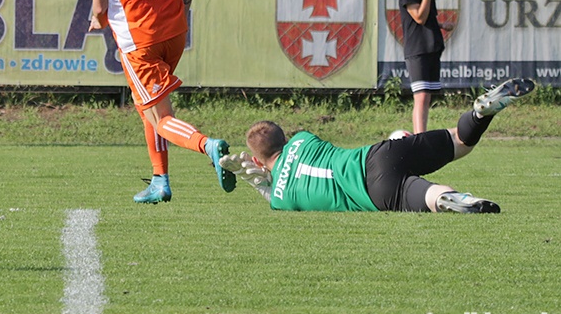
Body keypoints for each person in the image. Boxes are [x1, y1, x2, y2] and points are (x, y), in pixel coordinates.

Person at [69, 0, 233, 204]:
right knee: (149, 110)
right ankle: (160, 180)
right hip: (173, 30)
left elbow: (99, 2)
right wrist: (181, 5)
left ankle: (209, 146)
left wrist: (98, 21)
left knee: (162, 118)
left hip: (139, 40)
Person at [221, 78, 535, 213]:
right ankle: (480, 112)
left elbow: (277, 191)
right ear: (285, 137)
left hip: (374, 191)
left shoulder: (281, 199)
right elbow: (293, 158)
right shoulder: (303, 139)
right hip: (378, 154)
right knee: (460, 141)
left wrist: (264, 184)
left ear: (258, 161)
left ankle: (455, 199)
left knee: (426, 195)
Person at [400, 0, 455, 134]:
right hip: (417, 49)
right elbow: (419, 18)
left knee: (428, 96)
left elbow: (427, 19)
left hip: (431, 47)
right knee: (421, 96)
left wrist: (440, 24)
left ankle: (421, 136)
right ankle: (419, 138)